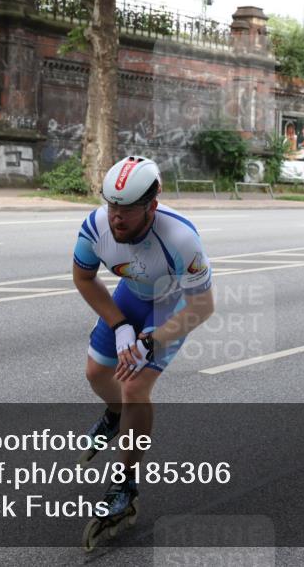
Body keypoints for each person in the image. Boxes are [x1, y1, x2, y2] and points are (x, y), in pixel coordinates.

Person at [73, 155, 215, 540]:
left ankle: (125, 484)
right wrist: (119, 325)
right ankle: (117, 415)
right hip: (130, 297)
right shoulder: (96, 225)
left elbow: (203, 305)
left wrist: (152, 340)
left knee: (135, 386)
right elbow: (83, 278)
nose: (117, 217)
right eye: (112, 205)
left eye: (128, 209)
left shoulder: (181, 239)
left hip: (172, 305)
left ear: (151, 206)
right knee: (97, 374)